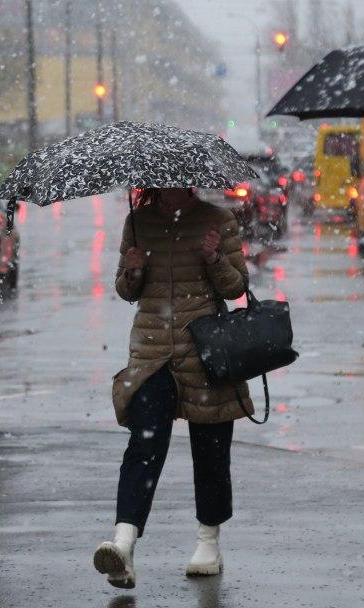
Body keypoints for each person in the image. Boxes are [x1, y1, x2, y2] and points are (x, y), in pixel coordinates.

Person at [92, 187, 251, 590]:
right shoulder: (137, 221)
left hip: (204, 352)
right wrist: (133, 269)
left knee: (211, 450)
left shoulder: (219, 220)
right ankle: (123, 544)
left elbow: (235, 289)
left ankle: (208, 542)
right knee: (144, 446)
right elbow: (127, 292)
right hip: (152, 355)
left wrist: (214, 258)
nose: (172, 186)